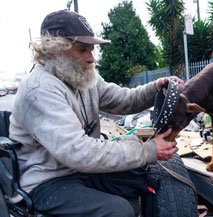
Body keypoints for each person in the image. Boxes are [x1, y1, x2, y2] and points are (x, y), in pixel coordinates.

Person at [9, 9, 185, 217]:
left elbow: (124, 100)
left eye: (92, 50)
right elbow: (78, 152)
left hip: (81, 171)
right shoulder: (39, 90)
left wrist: (154, 88)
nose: (91, 58)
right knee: (117, 210)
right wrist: (147, 150)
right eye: (83, 50)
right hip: (47, 180)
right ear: (54, 50)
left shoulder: (80, 76)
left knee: (140, 178)